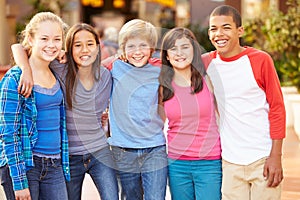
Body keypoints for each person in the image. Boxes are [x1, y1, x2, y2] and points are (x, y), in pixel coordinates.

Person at [11, 23, 118, 200]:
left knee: (112, 196)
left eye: (90, 44)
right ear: (69, 49)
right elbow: (18, 47)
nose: (85, 50)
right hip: (69, 156)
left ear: (98, 47)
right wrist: (26, 69)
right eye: (77, 45)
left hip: (99, 151)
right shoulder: (59, 68)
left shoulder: (106, 75)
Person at [202, 5, 286, 200]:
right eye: (214, 29)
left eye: (226, 27)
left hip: (263, 157)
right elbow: (172, 61)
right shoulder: (207, 62)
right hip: (230, 161)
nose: (219, 34)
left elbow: (277, 108)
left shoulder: (260, 60)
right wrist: (117, 59)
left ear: (240, 31)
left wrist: (276, 156)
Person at [0, 12, 70, 200]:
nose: (51, 44)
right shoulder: (15, 78)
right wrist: (20, 182)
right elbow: (8, 133)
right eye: (44, 38)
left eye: (57, 39)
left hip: (55, 165)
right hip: (26, 164)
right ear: (30, 39)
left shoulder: (57, 70)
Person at [106, 19, 168, 200]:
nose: (137, 51)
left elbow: (163, 102)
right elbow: (86, 69)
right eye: (131, 46)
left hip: (154, 148)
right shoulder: (114, 66)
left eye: (143, 45)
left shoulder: (159, 69)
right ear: (123, 48)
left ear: (151, 48)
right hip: (122, 149)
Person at [158, 27, 222, 200]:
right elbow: (156, 123)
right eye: (173, 48)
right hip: (177, 164)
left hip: (209, 162)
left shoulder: (208, 78)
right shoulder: (163, 85)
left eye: (185, 47)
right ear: (167, 55)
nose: (180, 53)